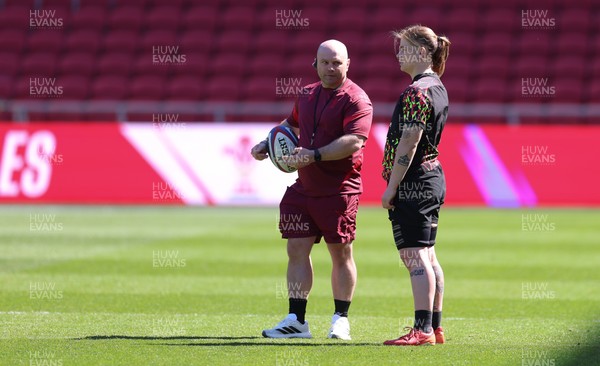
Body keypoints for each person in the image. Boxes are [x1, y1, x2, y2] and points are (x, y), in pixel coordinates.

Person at [250, 39, 373, 340]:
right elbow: (290, 125)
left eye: (337, 63)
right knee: (295, 249)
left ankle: (340, 319)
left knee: (340, 253)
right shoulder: (305, 94)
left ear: (348, 64)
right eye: (325, 62)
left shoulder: (357, 99)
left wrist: (314, 154)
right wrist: (268, 143)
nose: (331, 68)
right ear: (315, 64)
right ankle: (296, 319)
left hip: (339, 188)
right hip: (304, 187)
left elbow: (354, 141)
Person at [380, 25, 450, 346]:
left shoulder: (417, 92)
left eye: (403, 48)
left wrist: (391, 187)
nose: (398, 54)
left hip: (414, 181)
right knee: (429, 255)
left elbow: (408, 144)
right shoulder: (437, 87)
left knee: (414, 256)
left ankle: (421, 330)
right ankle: (434, 327)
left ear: (422, 52)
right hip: (432, 176)